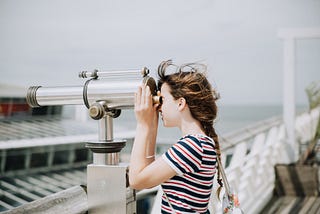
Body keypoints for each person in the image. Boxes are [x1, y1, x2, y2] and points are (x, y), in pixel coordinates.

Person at [129, 59, 222, 213]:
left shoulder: (191, 146)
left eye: (163, 100)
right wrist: (152, 123)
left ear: (180, 103)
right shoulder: (201, 142)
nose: (159, 107)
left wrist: (142, 124)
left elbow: (136, 180)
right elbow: (148, 178)